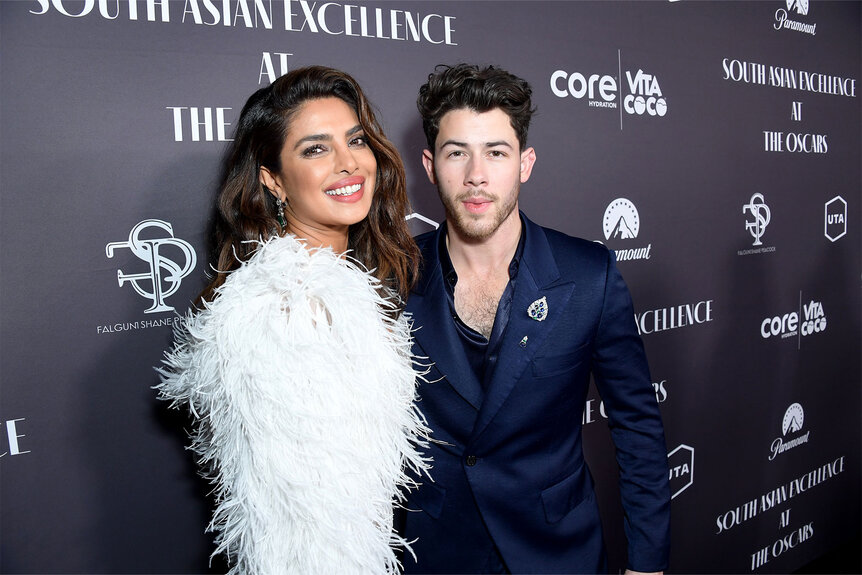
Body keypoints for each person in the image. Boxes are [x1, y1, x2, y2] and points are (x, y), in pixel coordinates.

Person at [397, 63, 671, 574]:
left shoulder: (590, 275)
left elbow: (637, 424)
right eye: (458, 153)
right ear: (431, 165)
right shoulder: (390, 277)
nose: (476, 175)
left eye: (496, 153)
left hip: (557, 549)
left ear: (525, 163)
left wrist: (648, 563)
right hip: (434, 552)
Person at [157, 66, 430, 574]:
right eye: (315, 149)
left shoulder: (343, 290)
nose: (349, 164)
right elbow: (304, 534)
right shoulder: (285, 306)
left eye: (356, 140)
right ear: (272, 179)